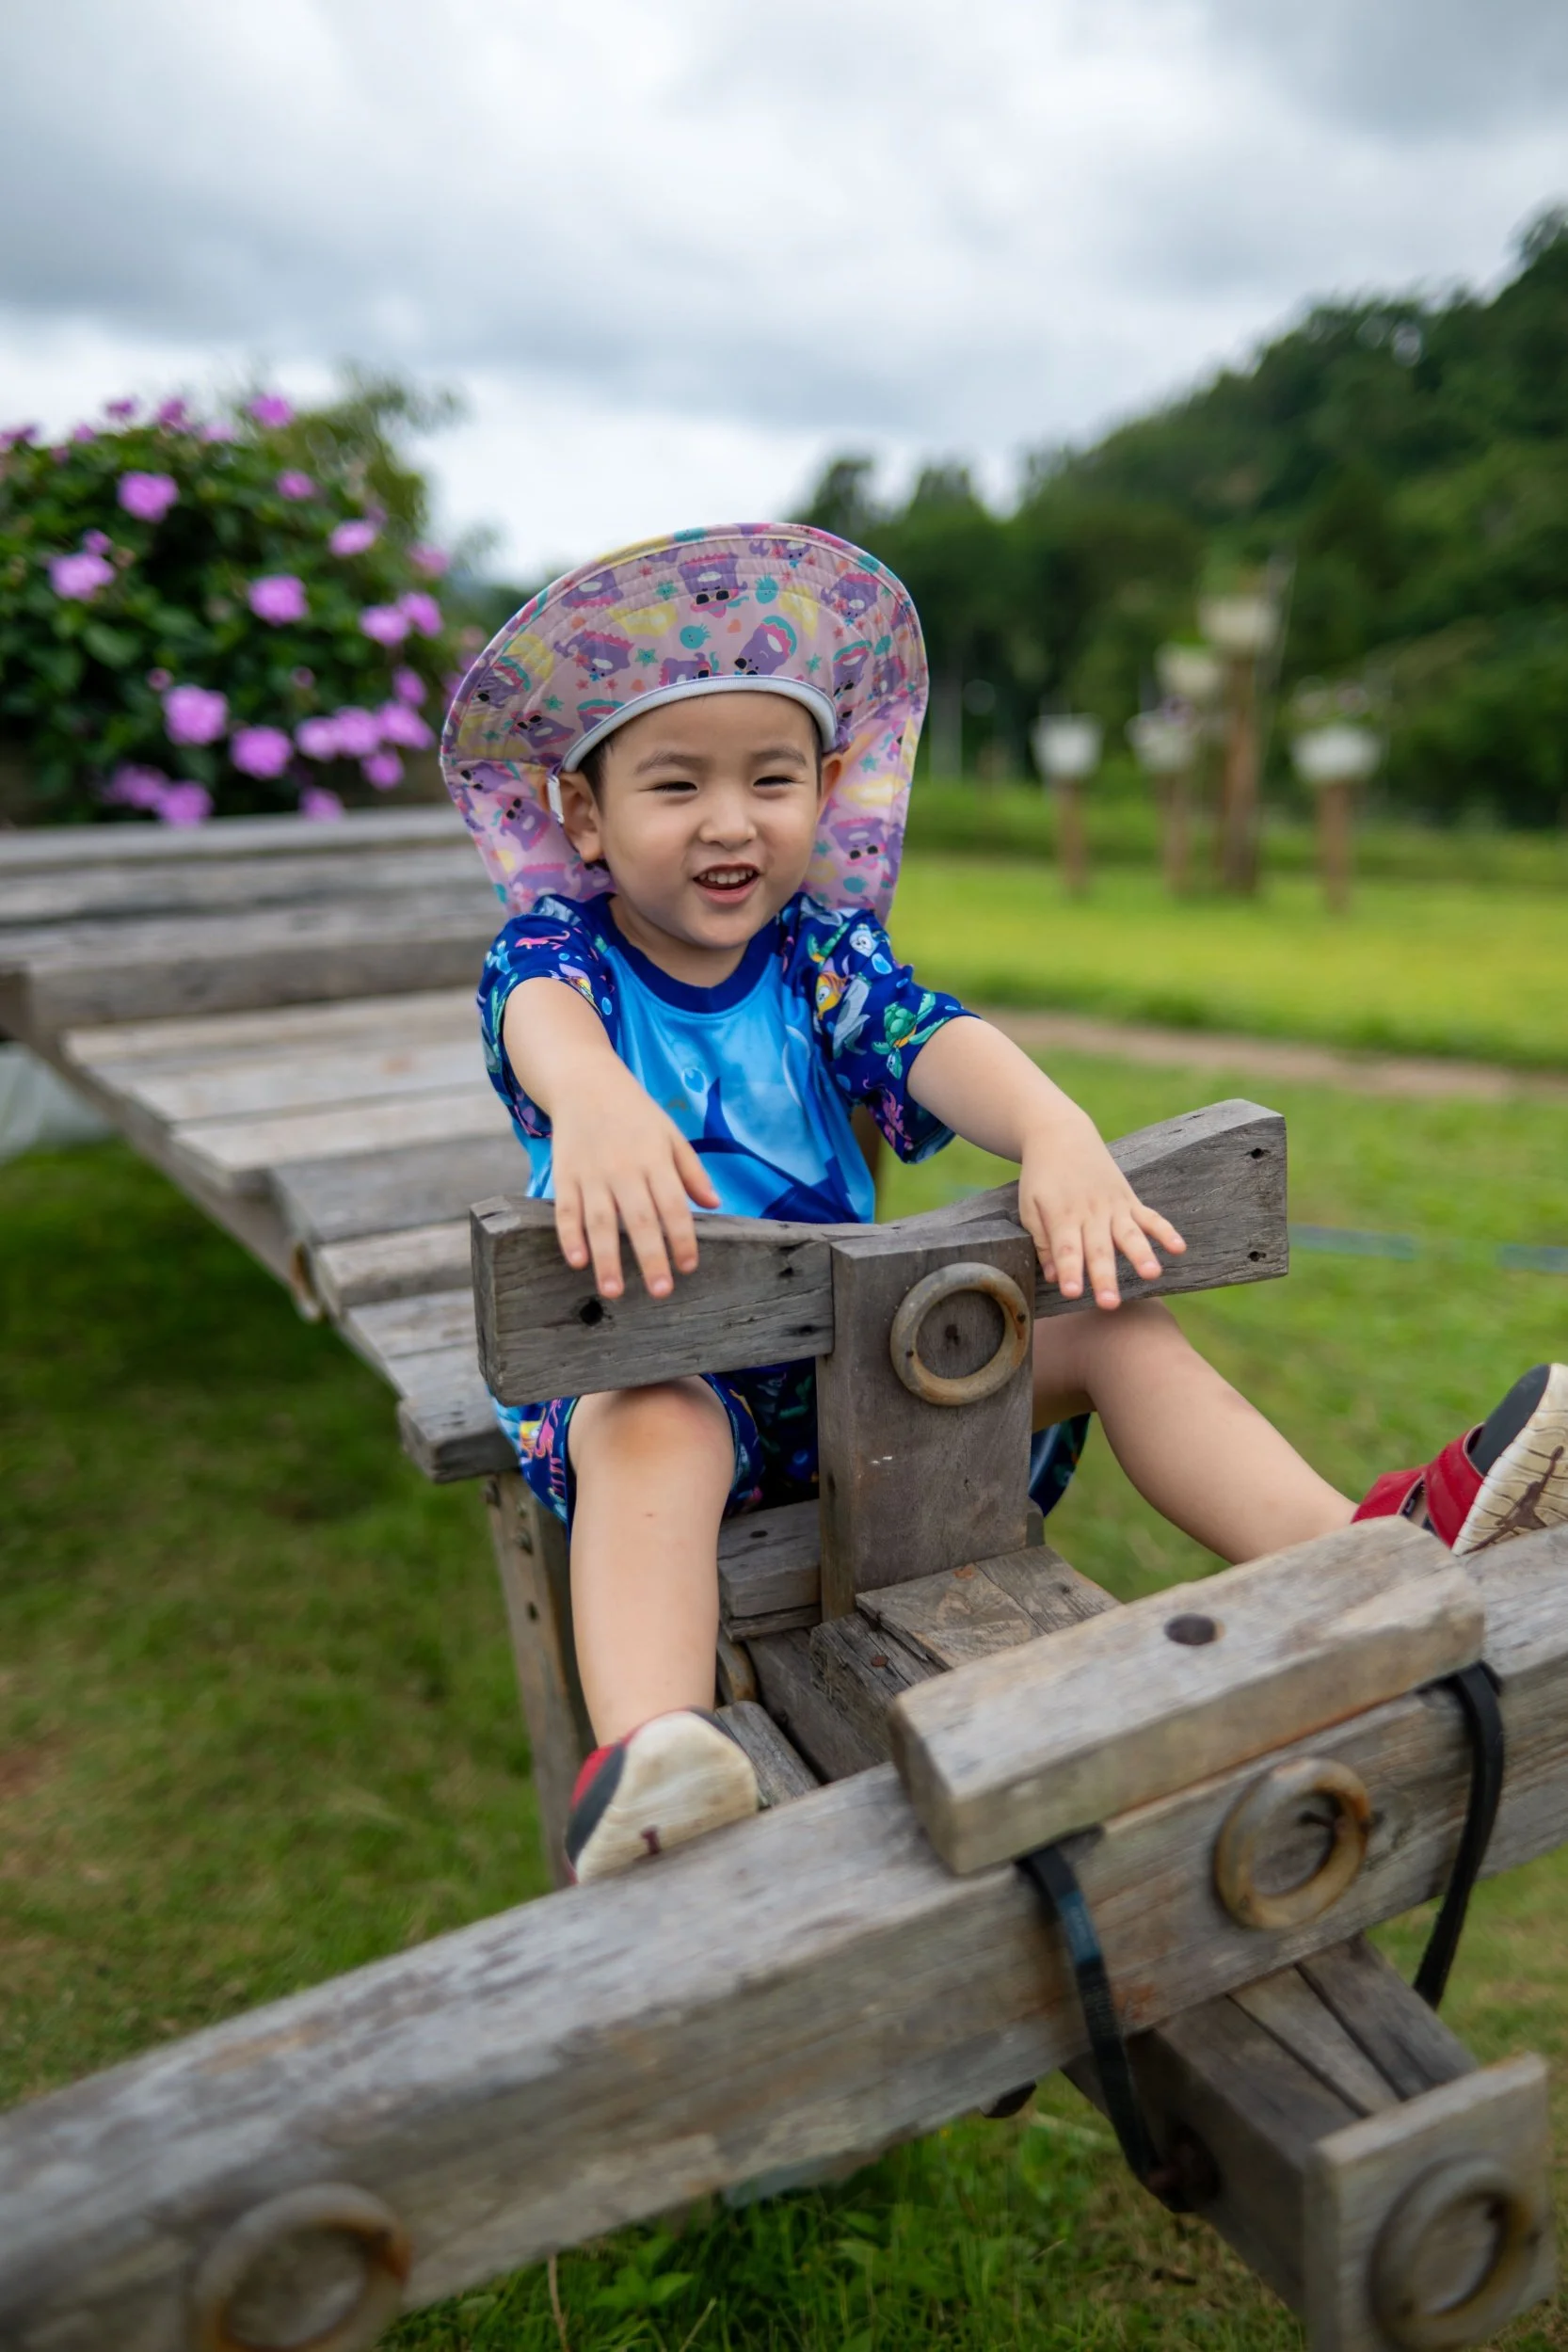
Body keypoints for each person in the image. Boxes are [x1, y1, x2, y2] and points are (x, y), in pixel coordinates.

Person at [443, 523, 1568, 1881]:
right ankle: (654, 1754)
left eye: (771, 779)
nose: (730, 820)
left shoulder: (817, 955)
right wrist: (590, 1098)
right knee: (656, 1424)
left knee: (1108, 1323)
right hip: (658, 1361)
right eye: (676, 784)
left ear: (827, 790)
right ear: (583, 815)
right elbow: (541, 1019)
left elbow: (925, 1034)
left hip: (839, 1368)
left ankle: (1371, 1548)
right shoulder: (559, 955)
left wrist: (1052, 1127)